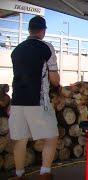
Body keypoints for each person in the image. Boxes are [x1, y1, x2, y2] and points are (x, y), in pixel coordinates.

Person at [9, 15, 60, 180]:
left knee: (19, 140)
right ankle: (44, 173)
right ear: (43, 31)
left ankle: (19, 175)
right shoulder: (47, 47)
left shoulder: (16, 50)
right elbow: (54, 79)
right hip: (38, 101)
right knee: (52, 137)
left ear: (29, 30)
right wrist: (58, 86)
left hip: (16, 101)